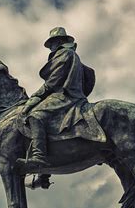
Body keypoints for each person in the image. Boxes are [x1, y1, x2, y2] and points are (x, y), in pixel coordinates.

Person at [20, 27, 95, 173]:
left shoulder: (64, 53)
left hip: (65, 95)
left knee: (35, 116)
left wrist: (35, 96)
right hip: (69, 94)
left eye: (52, 43)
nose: (50, 48)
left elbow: (53, 82)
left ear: (59, 41)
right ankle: (44, 173)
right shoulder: (69, 54)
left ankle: (39, 156)